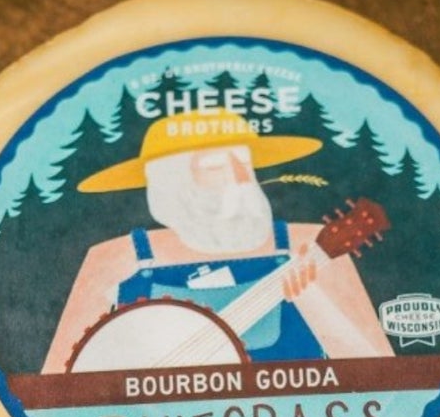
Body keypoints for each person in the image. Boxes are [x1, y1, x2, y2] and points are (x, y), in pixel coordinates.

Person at [42, 108, 393, 371]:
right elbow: (55, 386)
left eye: (243, 164)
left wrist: (312, 298)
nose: (239, 181)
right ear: (172, 184)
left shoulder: (310, 247)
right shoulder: (118, 259)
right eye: (213, 167)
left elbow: (385, 376)